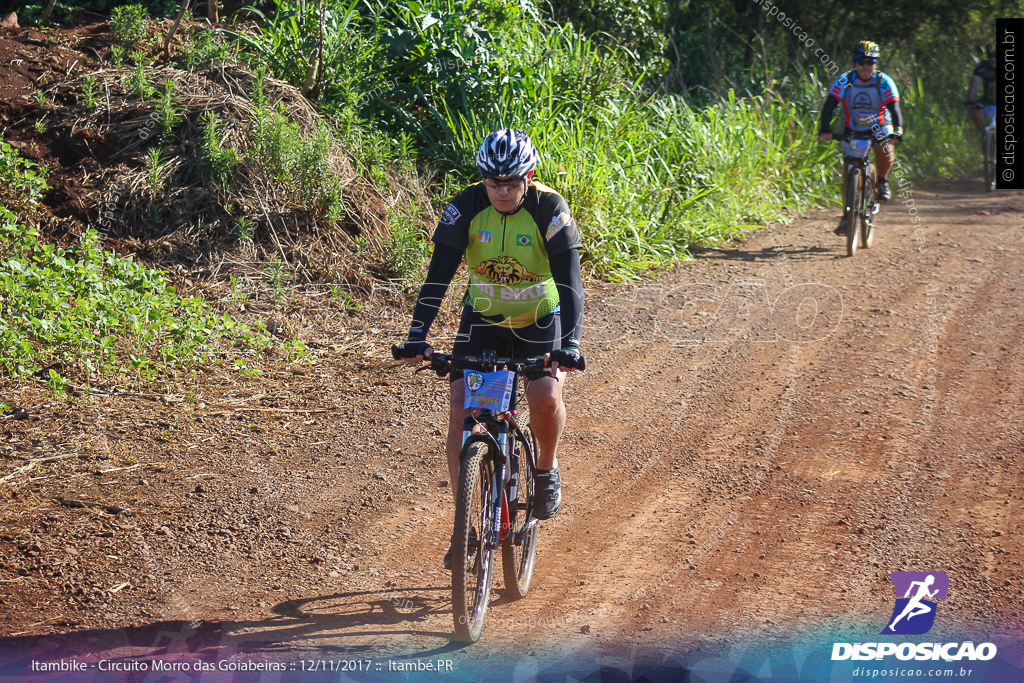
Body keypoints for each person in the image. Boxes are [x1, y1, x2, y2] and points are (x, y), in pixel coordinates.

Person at [394, 129, 585, 569]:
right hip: (481, 319)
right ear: (482, 179)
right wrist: (418, 335)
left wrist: (570, 343)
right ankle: (468, 528)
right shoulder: (465, 206)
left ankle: (546, 468)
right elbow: (438, 276)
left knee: (543, 396)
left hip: (540, 319)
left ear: (529, 177)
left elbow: (571, 282)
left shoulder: (549, 208)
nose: (502, 191)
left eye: (511, 183)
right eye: (493, 182)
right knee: (462, 410)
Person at [819, 40, 904, 235]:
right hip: (854, 127)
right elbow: (830, 105)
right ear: (855, 63)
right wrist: (825, 128)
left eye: (870, 62)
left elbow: (894, 107)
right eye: (861, 62)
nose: (865, 66)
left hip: (881, 124)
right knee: (850, 172)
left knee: (884, 147)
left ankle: (881, 180)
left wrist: (897, 130)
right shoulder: (844, 80)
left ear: (876, 64)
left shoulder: (884, 81)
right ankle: (846, 216)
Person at [967, 41, 997, 134]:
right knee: (975, 110)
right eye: (989, 56)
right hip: (987, 99)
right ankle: (986, 136)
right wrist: (970, 100)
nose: (992, 59)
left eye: (995, 55)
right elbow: (974, 84)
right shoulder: (981, 67)